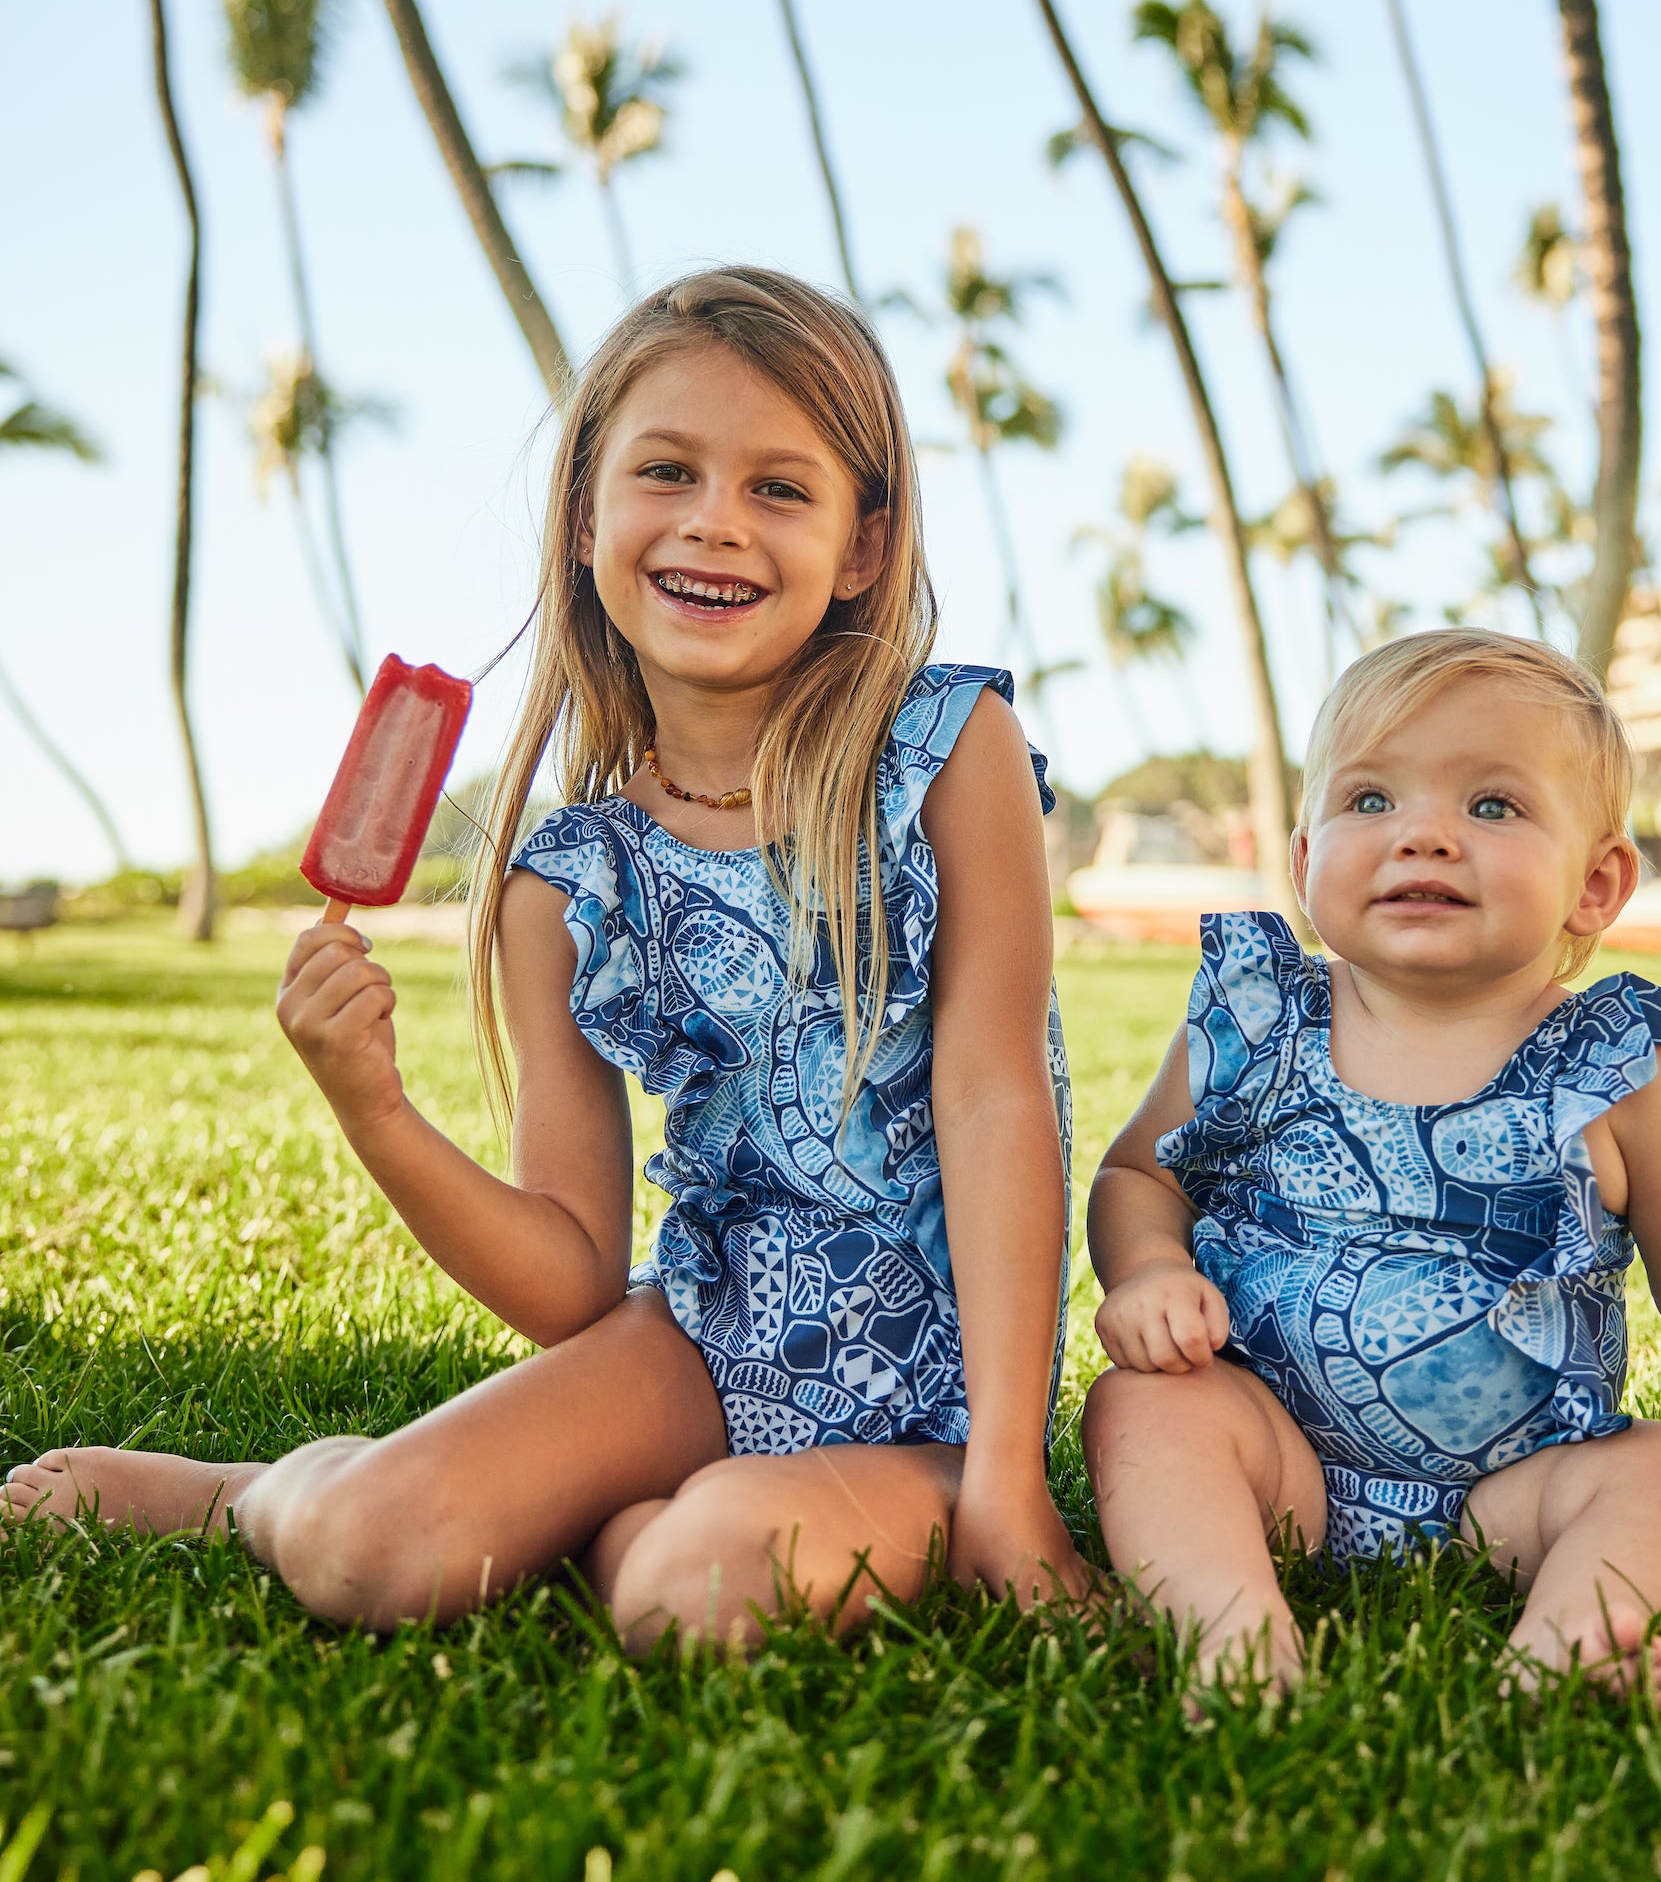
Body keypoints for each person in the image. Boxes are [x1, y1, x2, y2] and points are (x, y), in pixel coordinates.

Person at [5, 269, 1087, 1647]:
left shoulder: (942, 752)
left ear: (863, 547)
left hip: (935, 1384)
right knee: (360, 1549)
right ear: (586, 520)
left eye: (779, 489)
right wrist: (373, 1108)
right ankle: (256, 1494)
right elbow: (571, 1279)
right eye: (668, 472)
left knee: (694, 1598)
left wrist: (1007, 1479)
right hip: (696, 1341)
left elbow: (996, 1095)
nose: (714, 522)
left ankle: (622, 1519)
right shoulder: (564, 883)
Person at [1083, 629, 1661, 1709]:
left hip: (1519, 1495)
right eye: (1370, 801)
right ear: (1305, 860)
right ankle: (1229, 1637)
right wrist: (1144, 1273)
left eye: (1492, 807)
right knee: (1145, 1407)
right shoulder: (1258, 1025)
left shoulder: (1618, 1078)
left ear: (1595, 884)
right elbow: (1140, 1175)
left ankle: (1571, 1643)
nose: (1423, 837)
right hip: (1275, 1464)